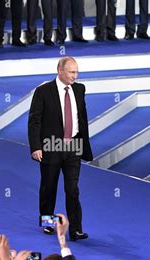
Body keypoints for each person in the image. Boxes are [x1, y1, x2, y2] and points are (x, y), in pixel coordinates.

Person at [28, 56, 93, 241]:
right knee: (49, 186)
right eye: (72, 72)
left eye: (77, 72)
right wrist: (36, 146)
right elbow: (34, 121)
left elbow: (82, 117)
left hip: (73, 145)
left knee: (72, 188)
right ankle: (48, 223)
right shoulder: (43, 91)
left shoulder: (80, 89)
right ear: (60, 71)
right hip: (51, 146)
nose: (75, 76)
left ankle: (76, 229)